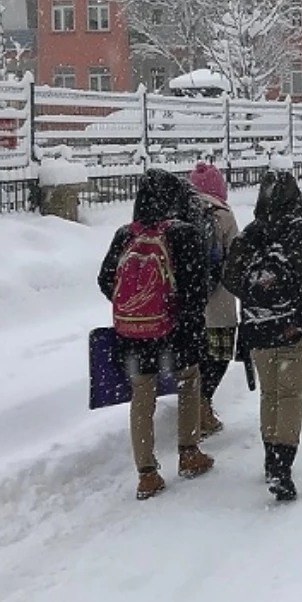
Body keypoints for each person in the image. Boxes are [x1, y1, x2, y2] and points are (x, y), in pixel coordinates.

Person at [222, 166, 302, 502]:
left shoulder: (249, 234)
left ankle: (269, 459)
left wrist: (256, 295)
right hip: (296, 324)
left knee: (270, 394)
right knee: (291, 396)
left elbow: (229, 277)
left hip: (258, 326)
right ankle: (282, 466)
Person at [98, 168, 215, 500]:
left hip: (133, 334)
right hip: (176, 332)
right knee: (189, 382)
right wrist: (177, 313)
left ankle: (146, 474)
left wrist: (138, 306)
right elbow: (197, 288)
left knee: (142, 397)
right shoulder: (184, 233)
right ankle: (189, 453)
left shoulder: (125, 235)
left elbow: (106, 279)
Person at [187, 161, 240, 440]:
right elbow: (237, 258)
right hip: (218, 302)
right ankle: (203, 405)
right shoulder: (224, 214)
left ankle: (192, 407)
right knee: (218, 356)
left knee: (192, 357)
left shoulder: (179, 212)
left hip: (187, 304)